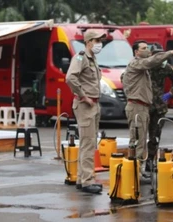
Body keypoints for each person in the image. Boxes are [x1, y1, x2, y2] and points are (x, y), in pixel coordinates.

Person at [122, 40, 173, 175]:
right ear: (136, 52)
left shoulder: (160, 67)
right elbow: (149, 62)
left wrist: (170, 94)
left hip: (153, 105)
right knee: (138, 139)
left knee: (149, 138)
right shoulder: (139, 64)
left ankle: (143, 165)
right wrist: (172, 52)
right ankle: (134, 173)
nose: (147, 51)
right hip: (138, 106)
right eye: (144, 48)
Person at [66, 29, 106, 193]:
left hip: (94, 105)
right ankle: (87, 181)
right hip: (86, 105)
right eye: (97, 41)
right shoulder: (81, 57)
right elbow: (70, 78)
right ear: (89, 42)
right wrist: (83, 96)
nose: (99, 44)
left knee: (88, 143)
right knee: (88, 144)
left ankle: (83, 179)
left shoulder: (92, 59)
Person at [145, 43, 173, 171]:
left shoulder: (166, 67)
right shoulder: (145, 65)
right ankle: (139, 160)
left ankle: (150, 160)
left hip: (159, 106)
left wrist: (171, 93)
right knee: (140, 134)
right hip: (145, 104)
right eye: (156, 54)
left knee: (155, 135)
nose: (159, 57)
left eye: (161, 54)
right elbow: (126, 77)